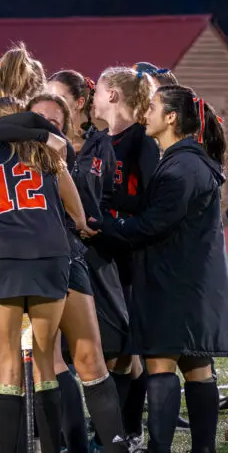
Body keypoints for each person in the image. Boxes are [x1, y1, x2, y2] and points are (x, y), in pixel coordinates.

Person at [91, 86, 228, 453]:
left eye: (152, 107)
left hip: (172, 283)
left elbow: (153, 224)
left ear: (171, 118)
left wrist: (103, 225)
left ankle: (160, 448)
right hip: (192, 282)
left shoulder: (182, 166)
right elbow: (155, 207)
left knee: (161, 366)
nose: (144, 113)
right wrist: (112, 201)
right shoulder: (187, 160)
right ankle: (204, 449)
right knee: (196, 368)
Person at [0, 97, 90, 453]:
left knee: (7, 366)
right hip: (50, 255)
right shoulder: (49, 154)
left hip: (5, 256)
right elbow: (77, 215)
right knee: (46, 362)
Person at [91, 67, 159, 443]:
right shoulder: (103, 138)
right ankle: (114, 428)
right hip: (106, 248)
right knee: (115, 347)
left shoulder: (141, 139)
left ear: (114, 94)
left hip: (130, 252)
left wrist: (107, 206)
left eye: (99, 91)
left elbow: (150, 199)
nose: (94, 98)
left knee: (128, 347)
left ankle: (129, 429)